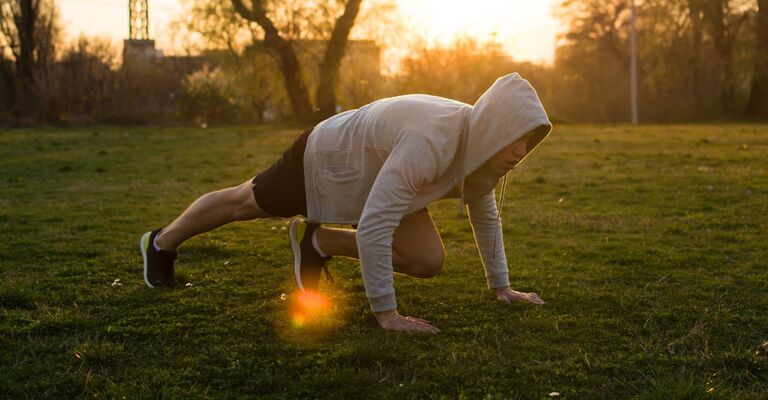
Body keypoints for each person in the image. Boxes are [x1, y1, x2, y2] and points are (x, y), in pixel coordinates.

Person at [140, 73, 552, 333]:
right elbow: (375, 226)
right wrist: (386, 315)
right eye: (514, 135)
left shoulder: (485, 150)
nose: (520, 149)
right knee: (244, 202)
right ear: (493, 126)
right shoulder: (431, 142)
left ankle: (317, 243)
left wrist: (502, 286)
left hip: (384, 167)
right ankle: (161, 242)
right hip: (328, 153)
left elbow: (484, 210)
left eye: (528, 138)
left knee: (427, 260)